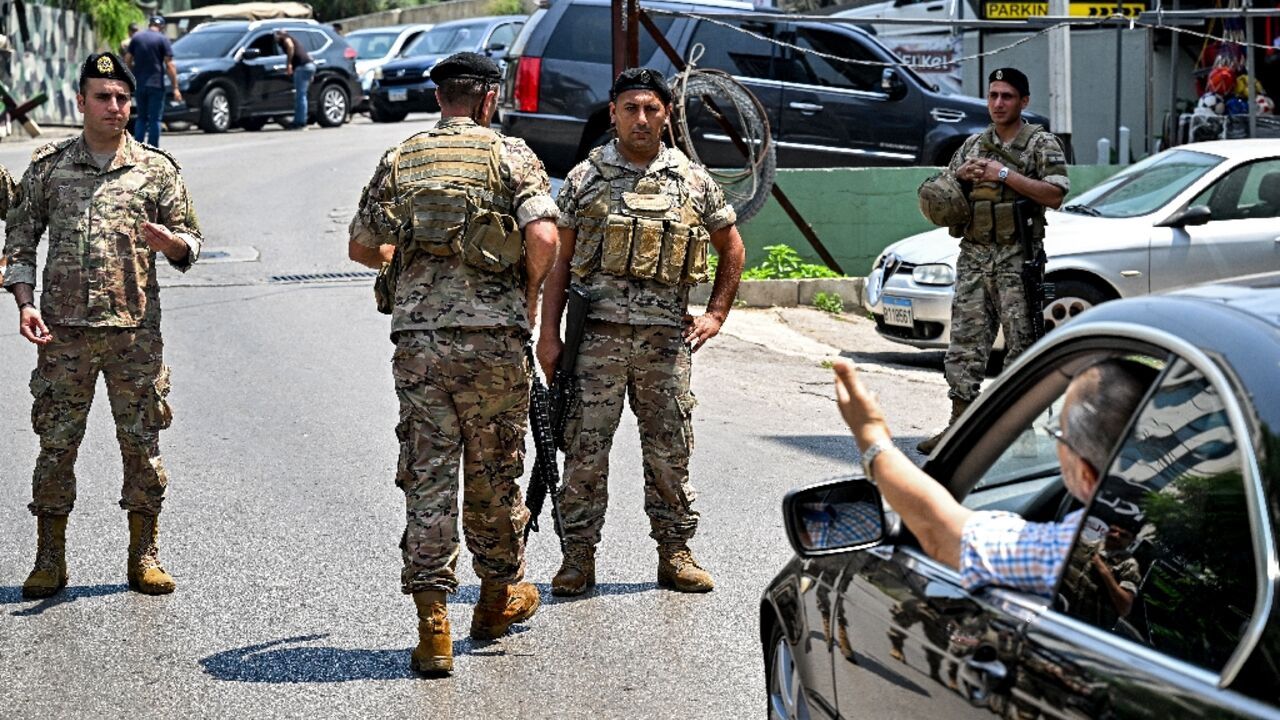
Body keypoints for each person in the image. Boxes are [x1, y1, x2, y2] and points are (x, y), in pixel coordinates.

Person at [347, 51, 559, 676]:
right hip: (492, 342)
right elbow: (544, 235)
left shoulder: (401, 158)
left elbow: (361, 245)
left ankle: (433, 627)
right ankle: (495, 601)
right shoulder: (509, 155)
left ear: (440, 99)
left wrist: (411, 266)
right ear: (489, 98)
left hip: (419, 342)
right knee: (495, 472)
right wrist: (525, 293)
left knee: (428, 473)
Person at [540, 67, 746, 597]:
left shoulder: (691, 180)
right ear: (613, 114)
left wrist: (716, 314)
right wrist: (549, 334)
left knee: (669, 451)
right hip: (597, 342)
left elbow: (733, 246)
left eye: (651, 109)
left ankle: (675, 551)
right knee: (585, 450)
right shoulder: (587, 179)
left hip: (664, 344)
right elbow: (559, 261)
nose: (640, 118)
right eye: (630, 108)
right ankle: (578, 556)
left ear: (666, 115)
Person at [4, 52, 202, 600]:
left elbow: (192, 241)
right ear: (81, 102)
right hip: (62, 335)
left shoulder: (156, 169)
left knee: (141, 446)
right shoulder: (48, 168)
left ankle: (145, 554)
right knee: (55, 445)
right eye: (103, 97)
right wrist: (24, 303)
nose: (114, 107)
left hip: (134, 335)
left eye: (121, 98)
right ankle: (50, 557)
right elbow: (19, 244)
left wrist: (175, 243)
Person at [832, 357, 1150, 598]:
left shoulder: (1060, 551)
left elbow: (938, 532)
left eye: (1060, 435)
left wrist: (870, 435)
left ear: (1084, 473)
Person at [917, 67, 1070, 454]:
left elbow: (1055, 194)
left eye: (1007, 96)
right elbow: (944, 195)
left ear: (1024, 102)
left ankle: (1019, 437)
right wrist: (963, 177)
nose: (998, 103)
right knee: (965, 346)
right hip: (974, 258)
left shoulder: (1040, 144)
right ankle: (958, 429)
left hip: (1017, 261)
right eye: (993, 96)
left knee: (1021, 348)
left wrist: (1004, 174)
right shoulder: (972, 145)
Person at [124, 15, 181, 147]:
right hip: (156, 84)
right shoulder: (162, 39)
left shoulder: (136, 38)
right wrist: (175, 87)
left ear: (149, 24)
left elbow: (127, 59)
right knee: (155, 119)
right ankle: (152, 147)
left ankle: (138, 146)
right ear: (161, 26)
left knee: (141, 117)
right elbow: (170, 65)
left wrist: (130, 74)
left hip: (140, 84)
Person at [275, 29, 316, 130]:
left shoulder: (286, 39)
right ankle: (300, 120)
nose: (275, 38)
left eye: (276, 36)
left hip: (302, 67)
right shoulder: (296, 40)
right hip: (309, 65)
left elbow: (290, 46)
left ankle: (300, 122)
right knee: (302, 95)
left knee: (300, 95)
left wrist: (289, 63)